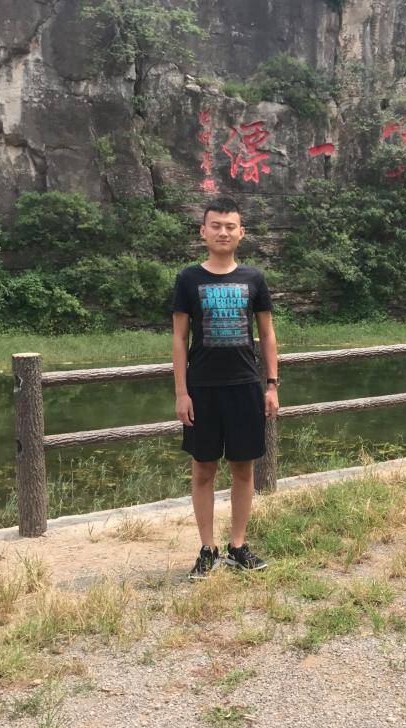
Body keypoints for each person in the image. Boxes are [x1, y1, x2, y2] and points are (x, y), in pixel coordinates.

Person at [171, 196, 279, 580]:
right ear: (203, 231)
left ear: (241, 232)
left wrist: (271, 385)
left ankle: (237, 545)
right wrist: (181, 392)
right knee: (203, 468)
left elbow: (267, 334)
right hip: (202, 388)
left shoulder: (254, 279)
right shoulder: (188, 279)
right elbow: (179, 339)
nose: (223, 232)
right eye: (215, 225)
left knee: (243, 468)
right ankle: (207, 549)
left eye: (230, 226)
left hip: (245, 385)